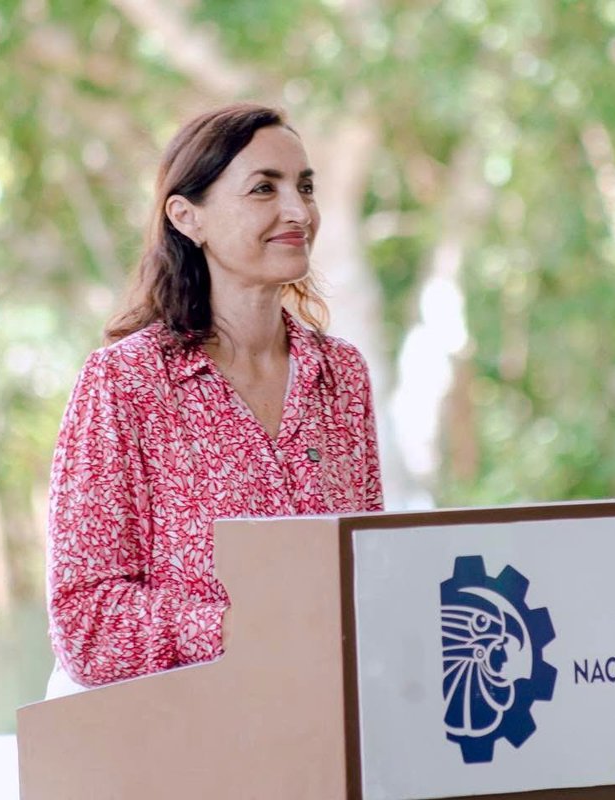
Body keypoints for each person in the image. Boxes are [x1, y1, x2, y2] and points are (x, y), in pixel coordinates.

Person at [43, 103, 383, 696]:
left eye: (305, 187)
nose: (297, 211)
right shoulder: (125, 383)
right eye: (263, 189)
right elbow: (86, 621)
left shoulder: (341, 375)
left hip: (327, 724)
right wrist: (238, 631)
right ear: (186, 217)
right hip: (186, 737)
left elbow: (369, 572)